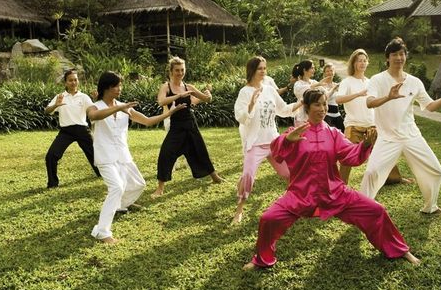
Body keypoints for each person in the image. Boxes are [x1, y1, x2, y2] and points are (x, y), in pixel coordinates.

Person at [243, 88, 419, 270]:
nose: (322, 108)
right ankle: (262, 259)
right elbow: (277, 153)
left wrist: (365, 144)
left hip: (334, 191)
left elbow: (350, 155)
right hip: (301, 194)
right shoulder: (296, 131)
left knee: (376, 210)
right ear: (307, 107)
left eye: (325, 104)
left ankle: (399, 249)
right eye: (317, 104)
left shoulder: (333, 133)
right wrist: (288, 140)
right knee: (269, 218)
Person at [360, 38, 441, 215]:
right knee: (371, 172)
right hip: (388, 138)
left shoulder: (415, 82)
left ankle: (430, 207)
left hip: (411, 135)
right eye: (394, 54)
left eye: (402, 54)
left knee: (436, 170)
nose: (399, 58)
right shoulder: (377, 80)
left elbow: (430, 106)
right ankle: (362, 209)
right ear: (387, 58)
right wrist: (388, 96)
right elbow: (370, 103)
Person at [87, 71, 186, 245]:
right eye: (116, 86)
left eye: (120, 85)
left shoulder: (124, 106)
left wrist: (171, 113)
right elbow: (93, 117)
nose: (120, 89)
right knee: (117, 187)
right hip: (105, 156)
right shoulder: (95, 106)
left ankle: (120, 205)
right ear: (107, 88)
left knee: (139, 184)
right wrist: (119, 108)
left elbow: (148, 121)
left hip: (123, 155)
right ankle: (102, 232)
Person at [232, 56, 302, 224]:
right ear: (252, 71)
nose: (263, 71)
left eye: (265, 68)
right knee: (248, 175)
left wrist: (301, 102)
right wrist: (250, 105)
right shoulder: (245, 92)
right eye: (260, 68)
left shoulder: (269, 90)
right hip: (255, 143)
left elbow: (283, 109)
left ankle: (294, 203)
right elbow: (240, 117)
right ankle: (239, 210)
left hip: (273, 141)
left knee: (288, 173)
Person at [335, 49, 411, 185]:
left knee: (385, 153)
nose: (362, 63)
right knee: (348, 156)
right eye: (359, 60)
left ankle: (394, 178)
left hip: (372, 125)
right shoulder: (347, 81)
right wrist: (358, 94)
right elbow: (338, 99)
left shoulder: (371, 82)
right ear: (354, 63)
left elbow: (378, 101)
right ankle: (340, 185)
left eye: (364, 60)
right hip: (354, 126)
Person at [153, 57, 223, 198]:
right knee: (166, 154)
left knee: (200, 150)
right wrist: (179, 95)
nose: (180, 73)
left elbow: (205, 99)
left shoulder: (189, 87)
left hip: (190, 123)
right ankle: (160, 188)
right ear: (171, 71)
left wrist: (208, 95)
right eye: (177, 70)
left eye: (182, 70)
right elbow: (161, 101)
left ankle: (215, 177)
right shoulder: (166, 86)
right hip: (176, 126)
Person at [44, 68, 99, 189]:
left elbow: (93, 110)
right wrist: (55, 105)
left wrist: (96, 100)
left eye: (75, 80)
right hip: (66, 132)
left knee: (97, 154)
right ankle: (52, 183)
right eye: (70, 80)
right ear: (65, 83)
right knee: (51, 155)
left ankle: (102, 174)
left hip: (82, 130)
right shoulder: (60, 96)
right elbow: (47, 111)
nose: (73, 82)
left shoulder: (84, 97)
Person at [292, 60, 330, 126]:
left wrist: (334, 89)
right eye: (312, 68)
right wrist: (317, 85)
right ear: (304, 70)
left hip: (314, 116)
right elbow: (304, 92)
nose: (314, 70)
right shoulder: (298, 84)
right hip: (302, 117)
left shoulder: (314, 82)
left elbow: (326, 94)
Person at [321, 62, 344, 132]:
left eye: (331, 71)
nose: (329, 73)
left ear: (334, 72)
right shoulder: (322, 85)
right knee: (329, 134)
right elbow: (325, 98)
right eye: (327, 71)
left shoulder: (337, 85)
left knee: (343, 132)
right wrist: (333, 89)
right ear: (324, 73)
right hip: (327, 114)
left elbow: (340, 102)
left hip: (337, 113)